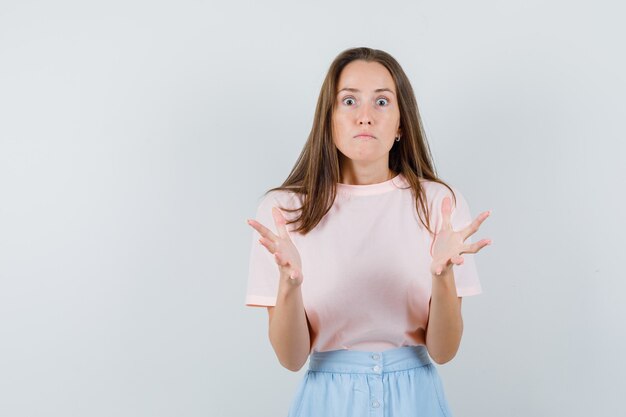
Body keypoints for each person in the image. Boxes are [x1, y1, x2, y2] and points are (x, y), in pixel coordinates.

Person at [244, 47, 492, 417]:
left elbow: (443, 352)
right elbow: (291, 358)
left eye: (381, 101)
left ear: (401, 123)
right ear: (328, 119)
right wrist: (290, 285)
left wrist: (442, 277)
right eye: (348, 101)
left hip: (417, 399)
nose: (365, 117)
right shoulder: (284, 212)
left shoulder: (439, 204)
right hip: (327, 402)